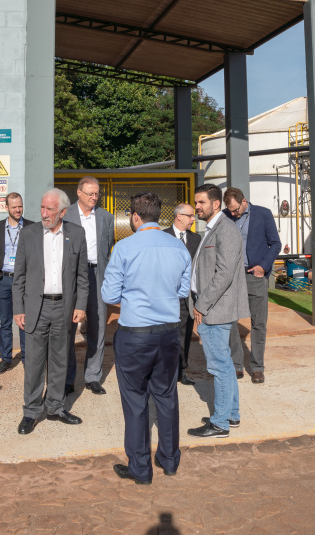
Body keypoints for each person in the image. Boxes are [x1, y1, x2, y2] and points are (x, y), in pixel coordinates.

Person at [103, 192, 191, 484]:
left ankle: (140, 469)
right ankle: (169, 460)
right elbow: (182, 291)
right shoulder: (177, 247)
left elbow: (109, 295)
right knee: (166, 397)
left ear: (135, 216)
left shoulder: (124, 247)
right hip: (168, 333)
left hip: (135, 335)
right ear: (159, 215)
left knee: (135, 401)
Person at [13, 188, 89, 435]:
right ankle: (32, 411)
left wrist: (80, 306)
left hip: (64, 307)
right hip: (37, 306)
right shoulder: (29, 234)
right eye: (43, 208)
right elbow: (19, 276)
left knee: (59, 361)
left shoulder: (76, 234)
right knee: (34, 362)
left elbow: (82, 276)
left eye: (50, 209)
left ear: (63, 212)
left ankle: (55, 407)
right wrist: (18, 308)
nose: (44, 214)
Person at [186, 184, 250, 439]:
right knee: (224, 364)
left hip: (215, 310)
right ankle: (231, 414)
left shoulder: (226, 229)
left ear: (215, 204)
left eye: (201, 202)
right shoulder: (214, 228)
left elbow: (223, 275)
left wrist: (202, 304)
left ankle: (220, 422)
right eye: (195, 203)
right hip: (213, 308)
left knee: (219, 366)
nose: (197, 207)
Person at [223, 187, 281, 384]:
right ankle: (236, 365)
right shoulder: (224, 216)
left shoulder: (263, 214)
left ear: (244, 201)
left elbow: (275, 244)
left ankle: (257, 368)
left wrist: (263, 267)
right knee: (229, 321)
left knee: (259, 323)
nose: (233, 213)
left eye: (235, 210)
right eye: (230, 210)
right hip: (231, 277)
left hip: (254, 275)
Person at [64, 176, 115, 396]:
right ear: (79, 193)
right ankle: (67, 379)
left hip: (97, 275)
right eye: (90, 194)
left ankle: (92, 376)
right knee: (67, 328)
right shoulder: (66, 215)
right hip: (71, 277)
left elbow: (108, 248)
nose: (95, 197)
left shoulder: (106, 217)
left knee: (98, 327)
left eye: (97, 194)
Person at [0, 192, 33, 374]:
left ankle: (27, 358)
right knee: (5, 322)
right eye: (14, 207)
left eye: (20, 206)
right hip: (3, 279)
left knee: (24, 321)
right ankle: (5, 359)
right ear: (6, 208)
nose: (18, 209)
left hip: (24, 281)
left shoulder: (31, 227)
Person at [163, 203, 201, 386]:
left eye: (193, 216)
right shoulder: (163, 236)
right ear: (179, 216)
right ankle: (165, 371)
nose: (193, 219)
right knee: (166, 334)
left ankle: (181, 370)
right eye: (190, 216)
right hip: (166, 296)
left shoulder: (196, 239)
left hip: (187, 297)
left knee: (185, 334)